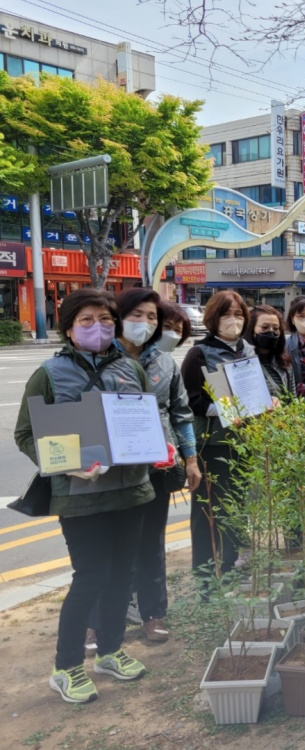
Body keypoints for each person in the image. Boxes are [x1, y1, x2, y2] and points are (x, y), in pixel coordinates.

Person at [15, 289, 153, 703]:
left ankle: (110, 651)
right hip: (79, 496)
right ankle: (67, 666)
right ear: (70, 328)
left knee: (122, 575)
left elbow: (146, 416)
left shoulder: (131, 368)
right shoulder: (49, 373)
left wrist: (155, 446)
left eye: (106, 320)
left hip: (131, 492)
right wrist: (64, 461)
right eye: (87, 320)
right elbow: (25, 433)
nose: (99, 328)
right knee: (90, 576)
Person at [107, 288, 200, 645]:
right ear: (118, 316)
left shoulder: (163, 362)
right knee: (107, 547)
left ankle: (153, 614)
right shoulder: (99, 357)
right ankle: (97, 620)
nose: (144, 323)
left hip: (158, 470)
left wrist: (190, 459)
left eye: (151, 318)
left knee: (151, 545)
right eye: (137, 316)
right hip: (111, 472)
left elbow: (181, 414)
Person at [180, 291, 256, 588]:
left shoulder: (247, 349)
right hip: (212, 444)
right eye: (226, 314)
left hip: (243, 442)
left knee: (236, 507)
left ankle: (230, 565)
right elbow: (189, 401)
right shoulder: (199, 353)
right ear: (213, 318)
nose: (234, 321)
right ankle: (205, 575)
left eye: (239, 314)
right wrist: (225, 410)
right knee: (208, 511)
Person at [246, 305, 294, 397]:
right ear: (251, 329)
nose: (271, 331)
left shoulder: (285, 362)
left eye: (276, 328)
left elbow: (293, 397)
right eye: (265, 327)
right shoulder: (244, 364)